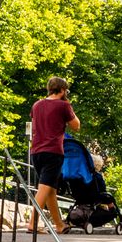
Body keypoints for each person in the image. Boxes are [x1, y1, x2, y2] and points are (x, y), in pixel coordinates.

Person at [28, 76, 80, 233]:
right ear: (63, 90)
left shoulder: (36, 105)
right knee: (44, 188)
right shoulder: (63, 105)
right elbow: (76, 126)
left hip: (36, 151)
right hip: (53, 152)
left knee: (50, 189)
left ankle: (59, 225)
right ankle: (32, 224)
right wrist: (68, 106)